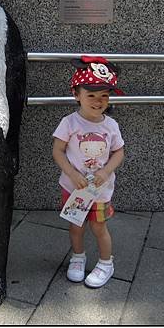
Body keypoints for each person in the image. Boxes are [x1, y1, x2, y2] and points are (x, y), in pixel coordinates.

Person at [52, 56, 125, 288]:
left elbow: (119, 152)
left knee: (98, 226)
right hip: (73, 189)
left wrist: (106, 171)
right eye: (91, 94)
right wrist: (72, 174)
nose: (98, 101)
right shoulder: (69, 123)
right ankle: (78, 256)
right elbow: (58, 151)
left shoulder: (110, 126)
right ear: (77, 95)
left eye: (104, 95)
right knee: (76, 225)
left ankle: (106, 263)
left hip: (100, 191)